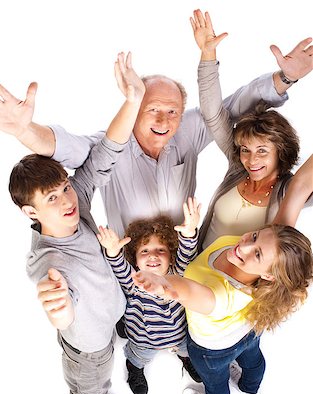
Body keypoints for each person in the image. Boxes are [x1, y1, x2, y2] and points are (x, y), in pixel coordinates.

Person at [3, 14, 312, 238]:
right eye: (152, 109)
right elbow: (62, 146)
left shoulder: (186, 132)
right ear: (134, 109)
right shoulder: (110, 146)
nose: (164, 121)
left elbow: (230, 108)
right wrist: (23, 130)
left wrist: (285, 78)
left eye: (172, 111)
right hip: (131, 272)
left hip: (188, 264)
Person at [8, 52, 150, 394]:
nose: (67, 200)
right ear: (31, 212)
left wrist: (133, 100)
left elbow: (106, 153)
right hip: (92, 344)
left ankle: (73, 384)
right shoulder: (50, 263)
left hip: (105, 317)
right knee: (93, 382)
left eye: (65, 188)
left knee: (72, 365)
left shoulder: (78, 204)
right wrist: (61, 311)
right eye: (51, 198)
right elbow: (56, 296)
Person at [131, 223, 313, 394]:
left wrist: (164, 284)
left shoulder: (220, 297)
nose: (243, 246)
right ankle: (250, 389)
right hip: (248, 331)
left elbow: (188, 290)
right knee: (253, 360)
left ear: (269, 275)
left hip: (213, 350)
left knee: (215, 382)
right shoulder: (262, 258)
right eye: (254, 235)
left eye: (258, 254)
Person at [189, 9, 313, 250]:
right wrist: (207, 54)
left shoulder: (287, 193)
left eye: (263, 151)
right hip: (195, 276)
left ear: (281, 151)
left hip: (235, 288)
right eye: (245, 149)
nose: (250, 159)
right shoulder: (237, 167)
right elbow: (213, 114)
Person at [97, 197, 202, 394]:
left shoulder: (177, 274)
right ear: (135, 259)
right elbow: (118, 266)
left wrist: (189, 234)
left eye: (160, 250)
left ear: (171, 255)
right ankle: (134, 368)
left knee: (187, 349)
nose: (153, 255)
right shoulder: (135, 280)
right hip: (144, 339)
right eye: (144, 251)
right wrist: (112, 251)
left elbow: (187, 255)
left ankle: (186, 360)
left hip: (179, 336)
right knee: (139, 357)